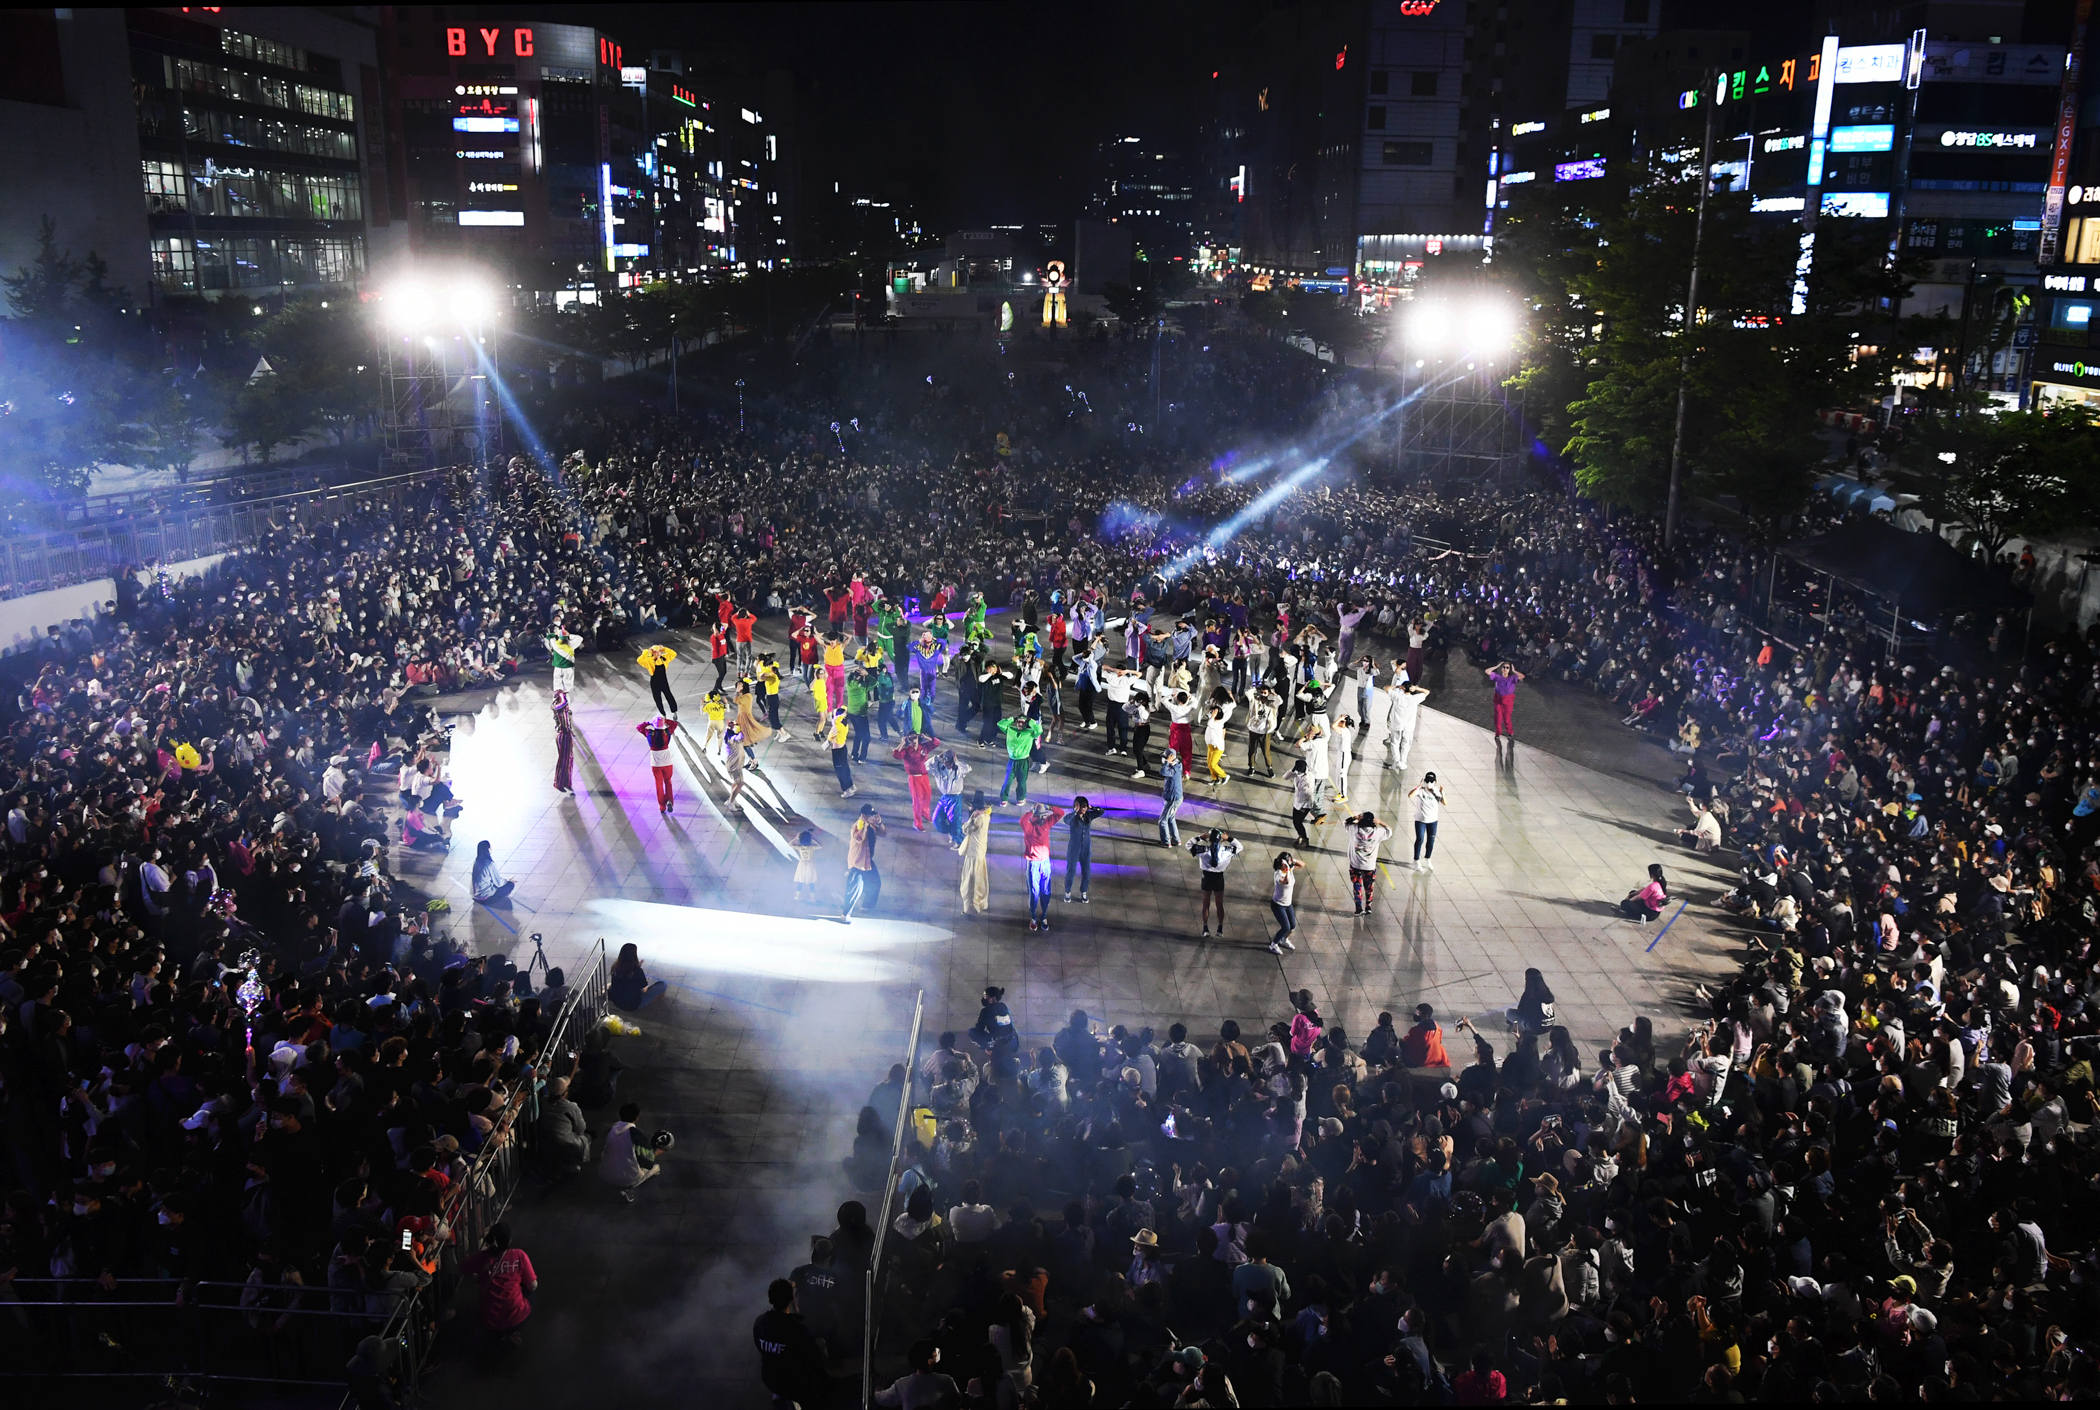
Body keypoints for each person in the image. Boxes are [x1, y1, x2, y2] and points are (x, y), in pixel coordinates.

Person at [459, 1222, 537, 1348]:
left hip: (490, 1322)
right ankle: (512, 1332)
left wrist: (450, 1246)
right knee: (531, 1294)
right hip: (518, 1319)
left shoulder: (481, 1258)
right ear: (509, 1240)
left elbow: (455, 1268)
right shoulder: (519, 1255)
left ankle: (497, 1335)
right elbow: (533, 1285)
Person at [754, 1277, 828, 1409]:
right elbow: (814, 1357)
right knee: (820, 1346)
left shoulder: (760, 1322)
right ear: (791, 1299)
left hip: (769, 1377)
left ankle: (779, 1395)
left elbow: (760, 1348)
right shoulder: (798, 1329)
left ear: (770, 1300)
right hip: (793, 1381)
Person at [1187, 828, 1244, 938]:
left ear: (1209, 839)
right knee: (1219, 904)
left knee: (1205, 904)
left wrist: (1200, 837)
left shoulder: (1203, 850)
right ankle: (1220, 928)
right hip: (1219, 879)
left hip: (1206, 878)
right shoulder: (1227, 851)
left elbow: (1188, 845)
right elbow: (1240, 847)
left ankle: (1205, 928)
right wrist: (1229, 838)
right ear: (1221, 840)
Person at [600, 1102, 663, 1202]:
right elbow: (648, 1162)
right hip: (626, 1177)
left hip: (605, 1174)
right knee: (656, 1168)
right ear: (637, 1117)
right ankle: (628, 1188)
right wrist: (657, 1153)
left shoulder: (611, 1130)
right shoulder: (636, 1135)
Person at [1019, 802, 1067, 932]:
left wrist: (1049, 808)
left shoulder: (1046, 823)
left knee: (1046, 891)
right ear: (1035, 817)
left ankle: (1044, 915)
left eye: (1043, 816)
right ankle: (1033, 917)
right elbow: (1022, 821)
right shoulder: (1029, 827)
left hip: (1045, 862)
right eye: (1040, 816)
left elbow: (1060, 813)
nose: (1042, 818)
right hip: (1033, 863)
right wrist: (1031, 811)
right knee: (1034, 893)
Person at [1343, 811, 1394, 913]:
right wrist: (1380, 822)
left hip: (1355, 865)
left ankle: (1358, 908)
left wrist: (1354, 817)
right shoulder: (1378, 832)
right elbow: (1389, 830)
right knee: (1369, 887)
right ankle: (1368, 907)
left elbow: (1345, 823)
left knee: (1357, 887)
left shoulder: (1354, 829)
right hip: (1369, 866)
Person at [844, 805, 887, 920]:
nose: (873, 817)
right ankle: (845, 914)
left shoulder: (871, 824)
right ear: (864, 815)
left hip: (867, 860)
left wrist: (879, 823)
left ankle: (866, 906)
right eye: (871, 815)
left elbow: (883, 833)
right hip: (857, 862)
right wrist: (863, 823)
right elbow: (859, 838)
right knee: (854, 890)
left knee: (875, 883)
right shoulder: (858, 825)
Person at [1062, 796, 1105, 902]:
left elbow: (1101, 811)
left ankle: (1083, 891)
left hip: (1085, 848)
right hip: (1074, 848)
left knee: (1086, 872)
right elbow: (1065, 820)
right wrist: (1074, 812)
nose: (1084, 809)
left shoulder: (1088, 816)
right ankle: (1068, 892)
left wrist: (1092, 807)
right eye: (1083, 806)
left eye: (1086, 806)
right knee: (1071, 871)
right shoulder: (1072, 819)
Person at [893, 731, 939, 831]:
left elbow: (936, 742)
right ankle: (917, 822)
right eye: (910, 739)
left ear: (918, 738)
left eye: (914, 738)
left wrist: (926, 737)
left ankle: (925, 813)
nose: (913, 740)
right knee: (917, 800)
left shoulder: (923, 748)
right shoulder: (906, 751)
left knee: (927, 795)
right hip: (914, 778)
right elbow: (896, 755)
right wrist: (902, 743)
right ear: (908, 740)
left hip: (924, 776)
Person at [959, 790, 994, 915]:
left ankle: (968, 906)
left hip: (973, 855)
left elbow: (966, 830)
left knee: (968, 882)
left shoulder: (977, 820)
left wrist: (971, 819)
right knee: (980, 881)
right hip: (979, 854)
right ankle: (981, 904)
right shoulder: (986, 817)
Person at [636, 714, 679, 814]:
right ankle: (670, 801)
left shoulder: (649, 734)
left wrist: (648, 723)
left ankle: (662, 806)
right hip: (668, 763)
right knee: (668, 782)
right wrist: (666, 721)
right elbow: (674, 724)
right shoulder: (667, 732)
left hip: (656, 765)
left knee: (659, 784)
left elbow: (639, 727)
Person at [996, 710, 1043, 805]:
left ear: (1025, 724)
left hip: (1023, 761)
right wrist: (1012, 719)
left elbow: (1039, 730)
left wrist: (1031, 721)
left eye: (1022, 722)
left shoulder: (1030, 733)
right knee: (1007, 781)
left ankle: (1021, 797)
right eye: (1018, 722)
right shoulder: (1010, 730)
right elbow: (1000, 724)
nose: (1020, 724)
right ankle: (1004, 798)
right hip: (1012, 761)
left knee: (1021, 782)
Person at [1384, 678, 1429, 771]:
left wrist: (1397, 687)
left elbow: (1386, 688)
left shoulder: (1397, 697)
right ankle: (1403, 761)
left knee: (1395, 743)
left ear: (1403, 688)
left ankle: (1397, 762)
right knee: (1406, 744)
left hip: (1396, 724)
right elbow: (1427, 692)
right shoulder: (1415, 698)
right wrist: (1416, 688)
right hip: (1409, 726)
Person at [608, 942, 668, 1010]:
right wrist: (643, 980)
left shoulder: (616, 967)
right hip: (633, 1004)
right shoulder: (637, 971)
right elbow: (644, 990)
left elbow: (625, 975)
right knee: (663, 984)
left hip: (617, 1001)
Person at [1407, 772, 1445, 871]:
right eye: (1427, 781)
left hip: (1433, 821)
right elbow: (1410, 796)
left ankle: (1427, 858)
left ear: (1435, 782)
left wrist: (1442, 793)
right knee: (1420, 839)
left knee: (1431, 840)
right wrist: (1417, 787)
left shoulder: (1436, 791)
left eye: (1431, 781)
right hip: (1421, 820)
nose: (1429, 783)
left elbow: (1444, 802)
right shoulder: (1421, 791)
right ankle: (1416, 860)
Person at [1268, 851, 1303, 955]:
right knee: (1286, 927)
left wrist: (1293, 861)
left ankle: (1284, 939)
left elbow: (1302, 864)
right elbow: (1286, 881)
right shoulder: (1278, 874)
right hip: (1278, 905)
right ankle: (1273, 944)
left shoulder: (1290, 869)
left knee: (1292, 926)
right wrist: (1288, 868)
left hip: (1288, 904)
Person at [1509, 968, 1556, 1035]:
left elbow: (1521, 1009)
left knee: (1509, 1012)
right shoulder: (1547, 993)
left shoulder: (1530, 995)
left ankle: (1521, 1028)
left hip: (1535, 1028)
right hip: (1548, 1026)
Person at [1486, 662, 1524, 742]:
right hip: (1498, 699)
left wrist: (1514, 670)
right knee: (1498, 717)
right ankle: (1498, 733)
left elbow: (1522, 676)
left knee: (1507, 718)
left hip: (1508, 700)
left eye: (1507, 667)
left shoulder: (1512, 678)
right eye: (1504, 667)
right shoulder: (1498, 677)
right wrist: (1496, 666)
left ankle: (1510, 733)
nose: (1505, 669)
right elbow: (1487, 671)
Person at [637, 643, 678, 717]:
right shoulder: (649, 661)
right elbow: (639, 660)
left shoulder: (664, 658)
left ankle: (674, 711)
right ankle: (663, 714)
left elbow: (673, 654)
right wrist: (646, 652)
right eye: (655, 652)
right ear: (653, 652)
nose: (658, 653)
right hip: (654, 682)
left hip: (663, 680)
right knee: (657, 698)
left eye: (659, 651)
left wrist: (664, 648)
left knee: (669, 695)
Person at [1157, 748, 1185, 846]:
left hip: (1173, 799)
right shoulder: (1176, 766)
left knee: (1162, 820)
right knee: (1171, 818)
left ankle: (1166, 842)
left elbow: (1163, 772)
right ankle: (1176, 840)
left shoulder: (1173, 769)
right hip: (1175, 798)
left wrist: (1166, 763)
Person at [552, 689, 577, 794]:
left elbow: (568, 722)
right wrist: (562, 696)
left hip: (567, 735)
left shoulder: (565, 710)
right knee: (563, 760)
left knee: (569, 759)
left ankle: (567, 782)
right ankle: (559, 782)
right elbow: (563, 703)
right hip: (562, 735)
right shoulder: (558, 708)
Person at [546, 623, 583, 694]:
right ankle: (566, 698)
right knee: (568, 685)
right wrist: (568, 634)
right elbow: (580, 638)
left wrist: (557, 633)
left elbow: (549, 636)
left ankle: (557, 698)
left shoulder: (555, 643)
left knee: (557, 684)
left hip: (558, 667)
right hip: (568, 667)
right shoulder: (571, 644)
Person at [793, 828, 823, 907]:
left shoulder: (800, 847)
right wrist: (814, 839)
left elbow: (790, 844)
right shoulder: (811, 847)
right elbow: (820, 846)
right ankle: (812, 898)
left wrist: (796, 838)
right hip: (810, 864)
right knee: (811, 880)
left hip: (802, 864)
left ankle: (797, 896)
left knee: (801, 880)